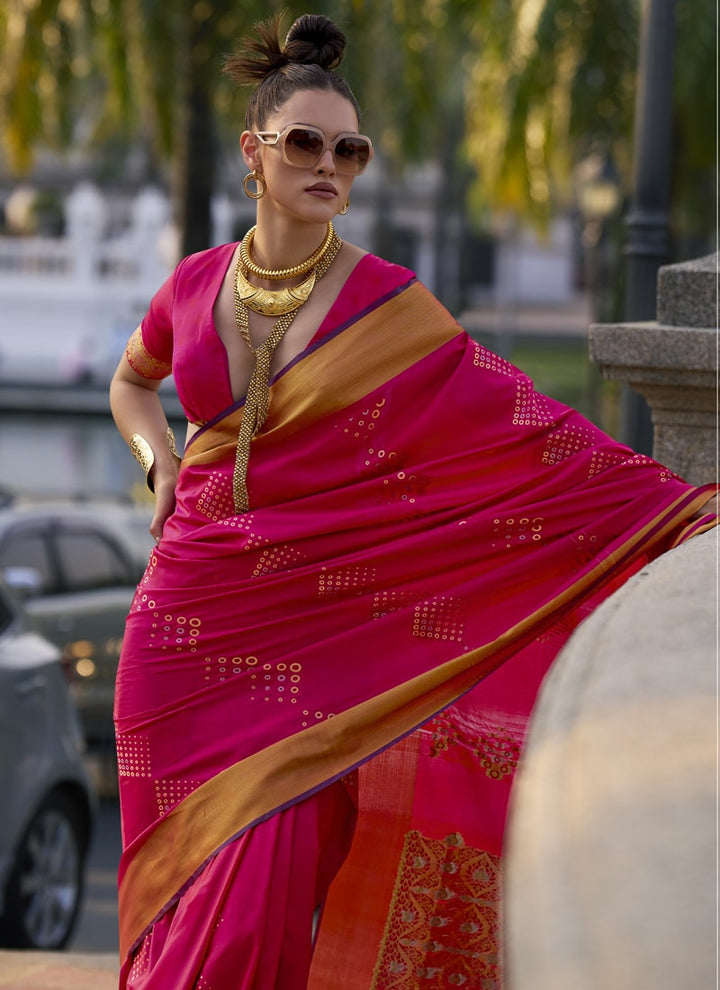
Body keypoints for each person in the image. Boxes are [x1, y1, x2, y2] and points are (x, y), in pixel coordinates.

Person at [109, 13, 717, 990]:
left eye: (349, 150)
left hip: (311, 656)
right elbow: (130, 384)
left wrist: (677, 510)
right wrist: (160, 465)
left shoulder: (388, 306)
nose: (328, 165)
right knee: (171, 905)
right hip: (178, 636)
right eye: (303, 143)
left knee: (251, 918)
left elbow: (526, 435)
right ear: (252, 155)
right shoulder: (193, 285)